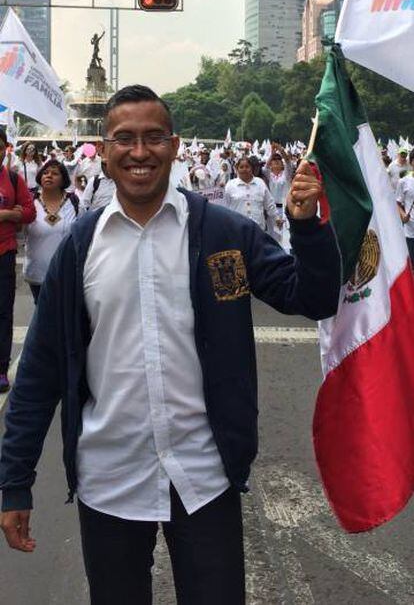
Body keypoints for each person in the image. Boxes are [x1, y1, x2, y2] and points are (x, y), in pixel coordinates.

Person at [0, 85, 341, 605]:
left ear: (175, 145)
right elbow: (40, 372)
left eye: (154, 137)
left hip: (205, 478)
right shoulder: (80, 248)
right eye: (126, 139)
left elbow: (311, 297)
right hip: (109, 481)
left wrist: (306, 228)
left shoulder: (223, 233)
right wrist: (16, 481)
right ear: (106, 149)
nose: (141, 152)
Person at [0, 128, 36, 393]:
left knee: (3, 313)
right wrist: (8, 213)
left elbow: (30, 211)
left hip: (5, 251)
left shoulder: (13, 179)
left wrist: (9, 216)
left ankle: (1, 368)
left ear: (6, 149)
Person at [23, 160, 80, 304]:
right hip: (37, 273)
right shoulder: (29, 202)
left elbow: (82, 234)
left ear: (63, 180)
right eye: (45, 173)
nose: (49, 176)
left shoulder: (74, 202)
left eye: (55, 173)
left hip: (66, 273)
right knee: (42, 315)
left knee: (64, 316)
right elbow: (18, 231)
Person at [224, 156, 279, 232]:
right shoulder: (230, 185)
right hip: (237, 229)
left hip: (258, 229)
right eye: (241, 167)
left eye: (247, 167)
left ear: (251, 168)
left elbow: (269, 203)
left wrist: (276, 218)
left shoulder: (260, 183)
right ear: (237, 169)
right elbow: (225, 207)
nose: (244, 169)